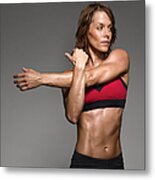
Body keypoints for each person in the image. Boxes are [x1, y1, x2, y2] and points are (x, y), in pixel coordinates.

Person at [13, 3, 130, 169]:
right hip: (84, 162)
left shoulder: (120, 58)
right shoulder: (68, 77)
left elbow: (91, 77)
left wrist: (41, 78)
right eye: (100, 27)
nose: (107, 34)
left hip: (116, 162)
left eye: (110, 28)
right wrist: (80, 68)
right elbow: (73, 116)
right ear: (86, 30)